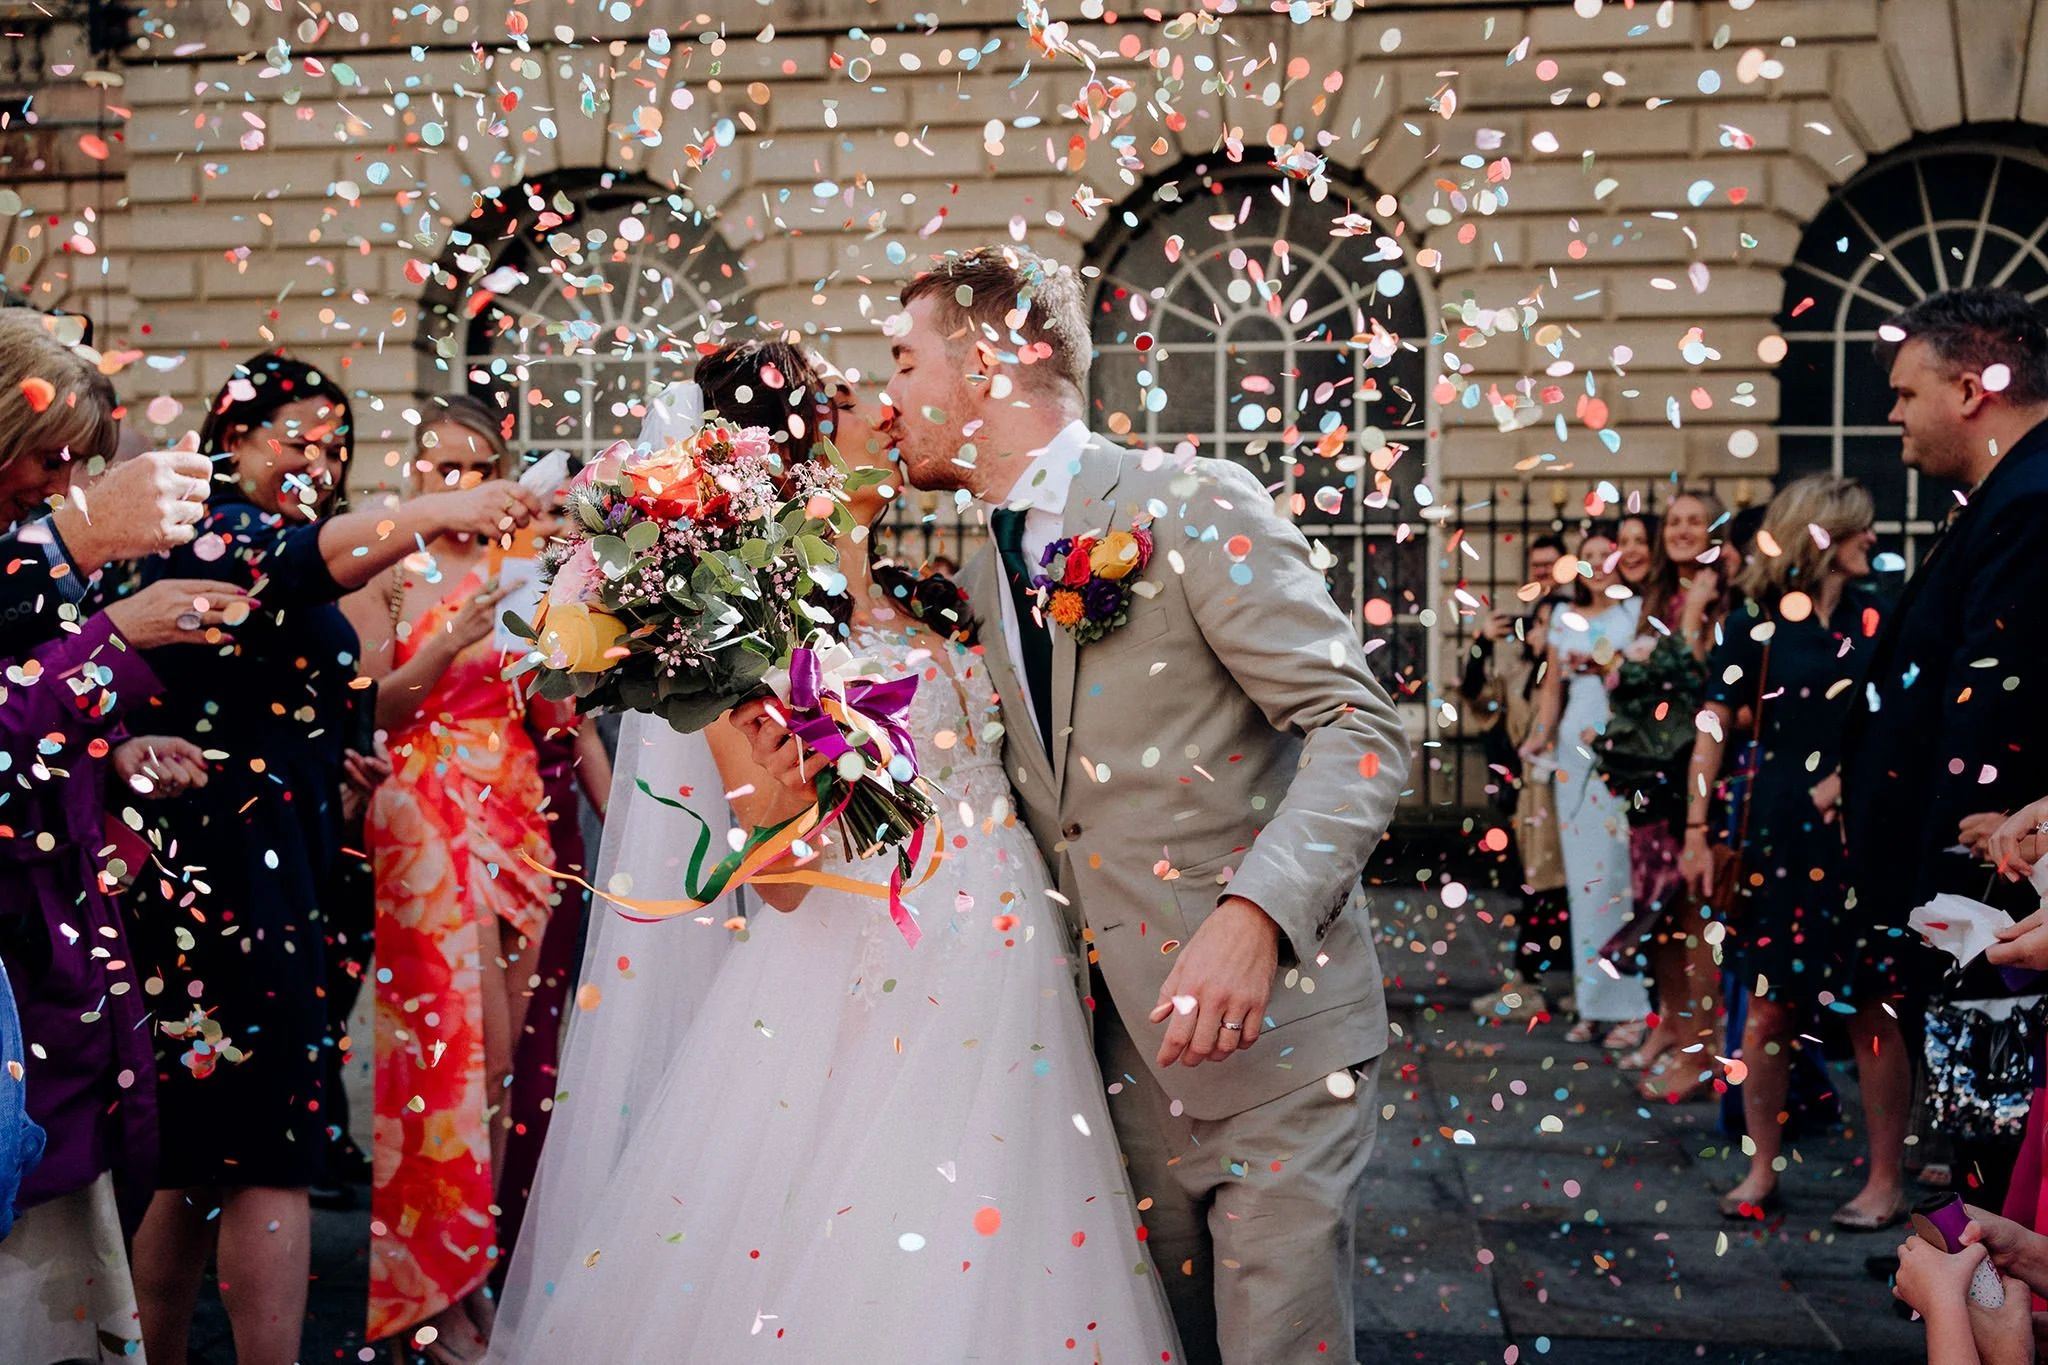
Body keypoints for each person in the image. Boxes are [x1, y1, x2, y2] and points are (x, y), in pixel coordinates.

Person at [489, 356, 1183, 1361]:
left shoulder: (927, 600)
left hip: (1008, 963)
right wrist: (792, 790)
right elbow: (772, 879)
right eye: (858, 402)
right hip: (870, 973)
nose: (892, 414)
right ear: (800, 456)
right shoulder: (750, 646)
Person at [878, 245, 1409, 1365]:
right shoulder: (975, 576)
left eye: (904, 362)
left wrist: (1255, 917)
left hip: (1274, 1048)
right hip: (1104, 1064)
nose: (888, 397)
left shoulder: (1189, 503)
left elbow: (1359, 729)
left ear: (986, 364)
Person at [123, 354, 540, 1365]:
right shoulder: (210, 530)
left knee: (200, 1160)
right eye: (297, 439)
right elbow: (303, 564)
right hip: (222, 871)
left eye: (332, 446)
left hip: (292, 857)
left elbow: (310, 689)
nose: (317, 460)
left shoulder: (278, 540)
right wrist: (442, 510)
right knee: (265, 1156)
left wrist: (341, 753)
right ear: (232, 437)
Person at [0, 307, 251, 1361]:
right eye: (47, 459)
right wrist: (113, 632)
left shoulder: (35, 551)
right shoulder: (47, 547)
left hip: (60, 963)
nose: (63, 484)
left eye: (81, 464)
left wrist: (112, 761)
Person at [336, 392, 565, 1353]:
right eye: (439, 466)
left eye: (475, 467)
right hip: (425, 815)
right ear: (414, 471)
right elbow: (373, 709)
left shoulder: (528, 563)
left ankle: (471, 1272)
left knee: (501, 1069)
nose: (457, 482)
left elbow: (556, 711)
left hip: (516, 809)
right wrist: (452, 639)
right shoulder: (389, 565)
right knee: (445, 1061)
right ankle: (423, 1296)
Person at [1679, 475, 1909, 1227]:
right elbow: (1713, 724)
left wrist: (1854, 777)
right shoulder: (1756, 619)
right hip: (1779, 830)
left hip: (1863, 831)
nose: (1871, 538)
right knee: (1768, 1010)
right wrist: (1696, 829)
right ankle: (1760, 1167)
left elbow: (1906, 717)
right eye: (1858, 527)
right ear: (1821, 534)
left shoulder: (1881, 613)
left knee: (1871, 1005)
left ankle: (1885, 1181)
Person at [1844, 287, 2048, 988]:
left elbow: (1996, 696)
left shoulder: (2032, 500)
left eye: (1906, 393)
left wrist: (1955, 854)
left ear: (1969, 390)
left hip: (1991, 887)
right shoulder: (2005, 495)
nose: (1894, 413)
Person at [1603, 490, 1729, 1100]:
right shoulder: (1655, 599)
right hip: (1649, 781)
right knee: (1659, 921)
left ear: (1714, 531)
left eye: (1694, 521)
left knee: (1693, 920)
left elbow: (1700, 683)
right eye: (1674, 521)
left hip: (1692, 780)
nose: (1681, 530)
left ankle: (1703, 1050)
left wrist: (1692, 619)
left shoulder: (1722, 599)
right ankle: (1676, 1034)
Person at [1522, 526, 1653, 1050]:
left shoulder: (1636, 612)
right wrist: (1537, 738)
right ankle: (1593, 1002)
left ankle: (1632, 1007)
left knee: (1619, 877)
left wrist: (1607, 665)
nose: (1597, 564)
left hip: (1622, 751)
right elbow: (1551, 691)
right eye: (1589, 557)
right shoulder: (1562, 617)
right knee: (1584, 881)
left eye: (1606, 555)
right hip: (1573, 756)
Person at [1462, 533, 1570, 1020]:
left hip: (1564, 792)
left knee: (1553, 889)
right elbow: (1480, 699)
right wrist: (1481, 645)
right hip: (1532, 796)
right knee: (1540, 888)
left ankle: (1539, 985)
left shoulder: (1573, 668)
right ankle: (1534, 984)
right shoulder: (1522, 669)